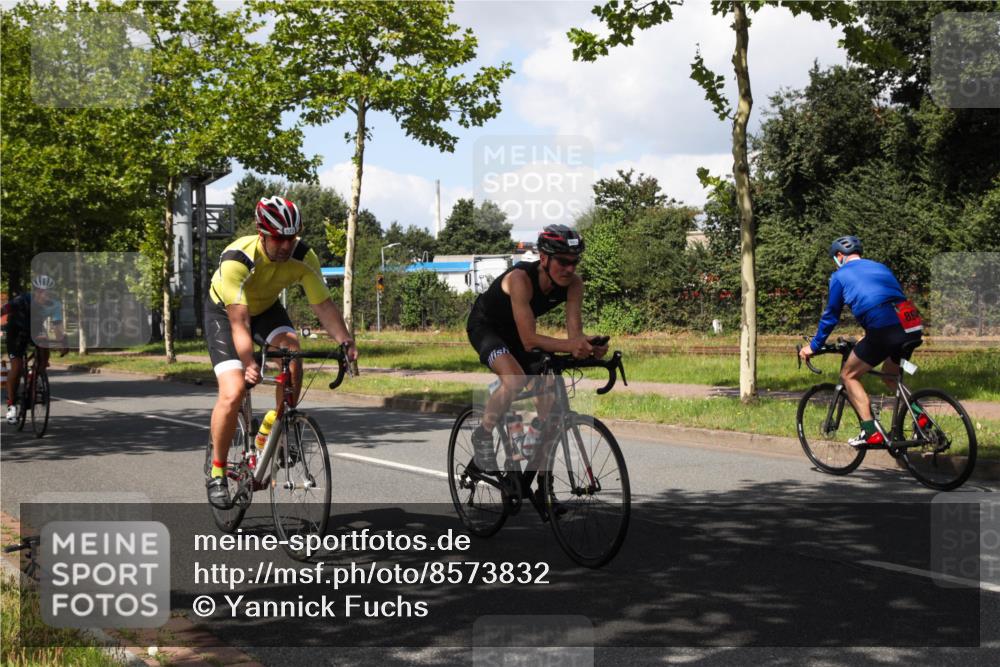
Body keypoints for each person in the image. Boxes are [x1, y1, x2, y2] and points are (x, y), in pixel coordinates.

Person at [205, 196, 357, 508]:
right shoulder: (237, 258)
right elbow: (239, 320)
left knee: (292, 352)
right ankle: (218, 471)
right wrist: (248, 362)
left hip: (267, 309)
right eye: (279, 238)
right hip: (226, 314)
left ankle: (278, 426)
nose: (287, 245)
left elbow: (323, 304)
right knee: (233, 392)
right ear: (262, 234)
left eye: (292, 237)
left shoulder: (303, 256)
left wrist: (345, 341)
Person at [465, 224, 608, 487]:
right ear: (543, 258)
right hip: (487, 327)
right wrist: (571, 346)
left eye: (574, 262)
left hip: (517, 333)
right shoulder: (521, 280)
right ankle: (483, 434)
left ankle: (542, 486)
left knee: (551, 407)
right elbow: (530, 340)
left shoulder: (574, 285)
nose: (570, 269)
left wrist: (590, 348)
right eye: (563, 262)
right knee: (515, 379)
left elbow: (574, 336)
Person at [799, 236, 925, 447]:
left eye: (835, 258)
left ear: (840, 256)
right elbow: (888, 298)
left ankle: (869, 431)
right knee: (890, 376)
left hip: (884, 327)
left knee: (849, 375)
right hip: (910, 323)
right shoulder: (880, 267)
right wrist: (869, 333)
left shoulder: (839, 276)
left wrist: (814, 346)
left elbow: (831, 316)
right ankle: (921, 417)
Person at [3, 275, 68, 424]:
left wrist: (63, 342)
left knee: (44, 351)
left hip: (36, 328)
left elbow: (57, 326)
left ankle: (36, 375)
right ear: (35, 292)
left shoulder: (54, 304)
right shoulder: (22, 300)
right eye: (41, 292)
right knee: (17, 367)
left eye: (48, 292)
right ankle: (11, 404)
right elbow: (4, 310)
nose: (45, 295)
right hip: (16, 330)